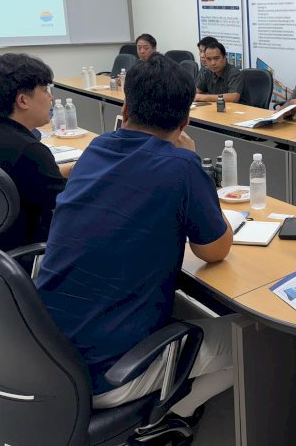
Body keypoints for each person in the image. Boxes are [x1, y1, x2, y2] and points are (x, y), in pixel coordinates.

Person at [37, 53, 235, 427]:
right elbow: (214, 250)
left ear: (125, 108)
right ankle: (171, 416)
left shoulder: (96, 150)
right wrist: (195, 167)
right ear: (185, 121)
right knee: (249, 340)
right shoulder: (182, 166)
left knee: (187, 305)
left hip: (47, 350)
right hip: (104, 374)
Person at [0, 53, 65, 251]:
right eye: (45, 90)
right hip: (28, 253)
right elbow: (68, 206)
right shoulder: (28, 150)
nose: (51, 97)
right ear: (23, 101)